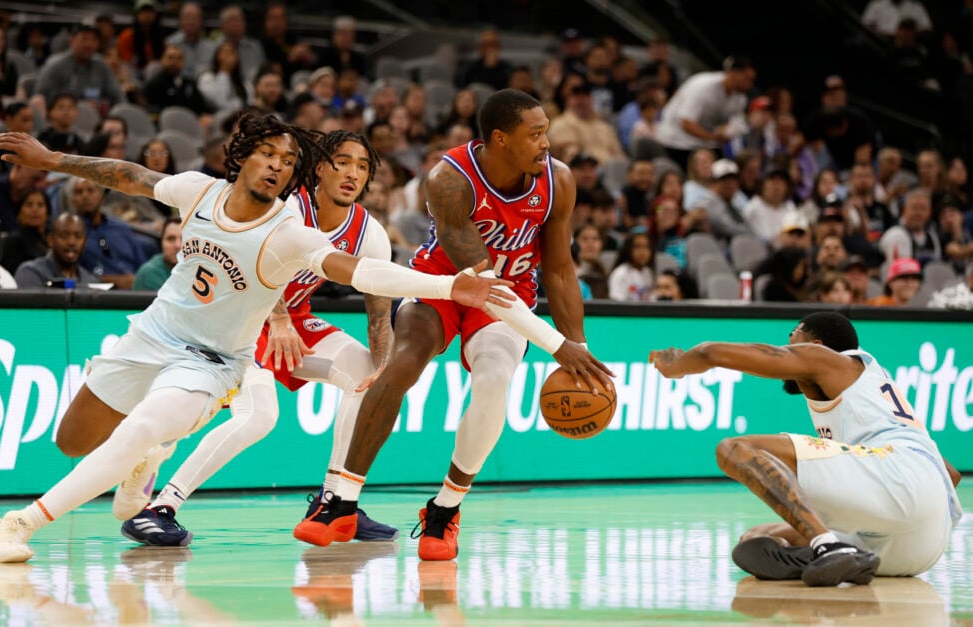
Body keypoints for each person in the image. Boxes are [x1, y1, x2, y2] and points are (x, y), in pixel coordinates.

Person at [0, 115, 512, 563]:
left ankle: (30, 521)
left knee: (162, 422)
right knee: (72, 441)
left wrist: (447, 286)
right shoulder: (201, 190)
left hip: (217, 356)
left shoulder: (298, 229)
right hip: (155, 334)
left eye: (286, 160)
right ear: (242, 157)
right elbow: (129, 175)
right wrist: (50, 158)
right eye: (267, 153)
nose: (277, 165)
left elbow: (369, 280)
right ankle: (150, 459)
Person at [291, 89, 614, 561]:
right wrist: (554, 344)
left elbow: (561, 270)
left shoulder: (557, 180)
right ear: (500, 139)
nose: (547, 142)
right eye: (537, 133)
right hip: (445, 281)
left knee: (493, 380)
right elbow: (483, 283)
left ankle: (444, 509)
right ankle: (341, 500)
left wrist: (577, 344)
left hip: (514, 292)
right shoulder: (449, 179)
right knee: (400, 366)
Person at [118, 130, 403, 545]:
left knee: (366, 375)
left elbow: (379, 317)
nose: (352, 173)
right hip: (238, 319)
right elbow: (243, 256)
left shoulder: (370, 234)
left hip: (294, 322)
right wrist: (280, 318)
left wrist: (385, 375)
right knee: (259, 416)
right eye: (342, 162)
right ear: (320, 168)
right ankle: (160, 508)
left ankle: (337, 501)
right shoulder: (283, 207)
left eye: (362, 167)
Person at [649, 311, 962, 587]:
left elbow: (711, 352)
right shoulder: (878, 396)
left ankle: (827, 546)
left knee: (735, 449)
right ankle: (837, 555)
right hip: (920, 547)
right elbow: (951, 474)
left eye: (792, 340)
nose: (787, 349)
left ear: (817, 344)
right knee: (759, 537)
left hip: (898, 479)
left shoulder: (826, 358)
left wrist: (677, 364)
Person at [14, 213, 98, 288]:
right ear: (50, 240)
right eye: (64, 236)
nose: (71, 242)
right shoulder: (31, 273)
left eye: (78, 236)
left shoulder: (91, 282)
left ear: (85, 241)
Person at [132, 216, 182, 290]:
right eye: (171, 239)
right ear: (161, 242)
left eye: (184, 239)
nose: (177, 245)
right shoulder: (149, 273)